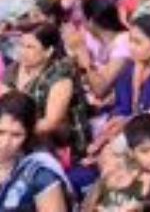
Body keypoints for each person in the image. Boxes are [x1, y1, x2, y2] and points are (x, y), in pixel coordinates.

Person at [5, 24, 91, 168]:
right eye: (21, 45)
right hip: (18, 135)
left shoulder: (60, 75)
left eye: (30, 47)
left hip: (56, 143)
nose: (22, 52)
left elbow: (51, 122)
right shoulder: (13, 69)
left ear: (48, 51)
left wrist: (14, 131)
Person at [0, 90, 71, 211]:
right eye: (1, 132)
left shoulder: (40, 173)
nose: (5, 143)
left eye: (16, 135)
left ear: (28, 135)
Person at [86, 113, 150, 212]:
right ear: (131, 153)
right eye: (145, 151)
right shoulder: (118, 169)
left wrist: (148, 185)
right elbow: (93, 199)